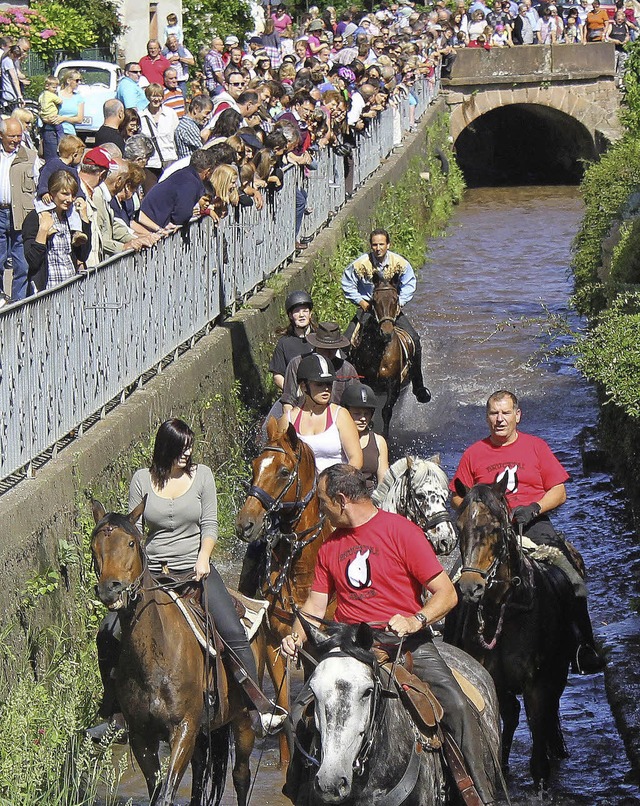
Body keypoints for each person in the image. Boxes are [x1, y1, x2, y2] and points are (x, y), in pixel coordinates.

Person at [281, 464, 496, 806]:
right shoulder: (328, 548)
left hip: (406, 644)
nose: (320, 511)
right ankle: (300, 791)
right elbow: (314, 606)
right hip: (349, 646)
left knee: (456, 706)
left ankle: (479, 796)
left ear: (340, 500)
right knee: (299, 712)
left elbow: (446, 593)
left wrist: (416, 619)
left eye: (323, 503)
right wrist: (296, 636)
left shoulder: (402, 532)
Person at [89, 418, 286, 741]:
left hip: (195, 569)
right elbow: (132, 533)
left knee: (233, 630)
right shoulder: (142, 480)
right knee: (108, 632)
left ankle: (257, 708)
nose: (187, 453)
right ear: (165, 448)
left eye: (190, 447)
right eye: (181, 448)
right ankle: (115, 712)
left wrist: (203, 558)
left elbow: (210, 524)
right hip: (153, 576)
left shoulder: (202, 476)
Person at [449, 389, 605, 675]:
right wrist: (478, 511)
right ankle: (452, 647)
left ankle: (584, 645)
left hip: (533, 526)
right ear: (487, 418)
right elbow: (457, 496)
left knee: (569, 575)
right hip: (489, 534)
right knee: (458, 579)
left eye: (506, 413)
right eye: (494, 413)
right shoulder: (473, 454)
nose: (500, 419)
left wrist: (534, 507)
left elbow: (559, 491)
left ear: (517, 416)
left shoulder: (536, 447)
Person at [342, 228, 431, 404]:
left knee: (414, 339)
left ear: (388, 245)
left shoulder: (400, 263)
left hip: (390, 310)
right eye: (374, 244)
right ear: (371, 246)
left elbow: (409, 284)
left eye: (381, 244)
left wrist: (399, 303)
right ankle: (343, 384)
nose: (378, 248)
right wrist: (361, 302)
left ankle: (418, 386)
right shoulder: (361, 264)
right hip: (368, 308)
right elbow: (347, 283)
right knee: (345, 342)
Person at [279, 353, 363, 472]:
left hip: (337, 485)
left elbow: (356, 459)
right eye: (319, 384)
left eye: (329, 384)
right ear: (303, 386)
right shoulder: (287, 420)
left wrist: (337, 484)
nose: (326, 389)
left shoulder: (341, 415)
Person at [22, 169, 91, 292]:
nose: (69, 199)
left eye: (73, 195)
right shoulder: (36, 218)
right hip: (47, 291)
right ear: (52, 193)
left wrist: (84, 219)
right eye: (64, 194)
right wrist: (43, 231)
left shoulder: (71, 218)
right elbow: (33, 261)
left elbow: (83, 255)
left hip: (70, 288)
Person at [0, 116, 37, 301]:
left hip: (21, 217)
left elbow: (39, 186)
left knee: (21, 264)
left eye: (18, 136)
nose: (15, 140)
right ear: (1, 135)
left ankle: (18, 304)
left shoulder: (30, 156)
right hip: (0, 214)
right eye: (11, 136)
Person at [138, 148, 216, 232]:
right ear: (207, 172)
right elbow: (182, 215)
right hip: (151, 223)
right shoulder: (191, 183)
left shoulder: (185, 174)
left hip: (150, 215)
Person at [341, 382, 389, 490]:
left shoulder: (379, 441)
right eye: (357, 413)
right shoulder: (335, 438)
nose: (363, 418)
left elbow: (384, 481)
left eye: (366, 414)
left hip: (370, 499)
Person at [268, 289, 315, 390]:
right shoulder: (284, 343)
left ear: (310, 314)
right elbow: (277, 376)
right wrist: (292, 391)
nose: (301, 315)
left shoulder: (320, 338)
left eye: (305, 311)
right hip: (294, 395)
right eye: (297, 312)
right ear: (290, 315)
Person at [139, 84, 179, 175]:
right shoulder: (141, 116)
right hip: (151, 163)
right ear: (148, 97)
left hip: (170, 159)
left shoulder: (170, 114)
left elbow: (176, 135)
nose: (156, 99)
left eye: (159, 96)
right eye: (153, 96)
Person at [174, 94, 214, 159]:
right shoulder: (189, 127)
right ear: (196, 109)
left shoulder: (191, 125)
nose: (208, 117)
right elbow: (203, 151)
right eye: (207, 113)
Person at [38, 75, 64, 161]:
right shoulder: (52, 95)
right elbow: (60, 101)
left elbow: (39, 103)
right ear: (47, 86)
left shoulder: (42, 95)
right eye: (54, 87)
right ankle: (61, 143)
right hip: (52, 115)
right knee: (59, 130)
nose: (55, 89)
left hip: (45, 115)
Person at [57, 69, 85, 136]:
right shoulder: (57, 96)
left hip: (70, 133)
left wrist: (64, 118)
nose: (79, 83)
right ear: (68, 81)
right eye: (77, 80)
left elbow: (79, 119)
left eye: (80, 80)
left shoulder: (79, 98)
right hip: (56, 131)